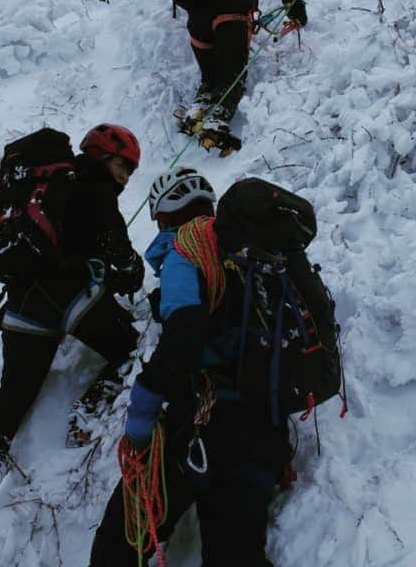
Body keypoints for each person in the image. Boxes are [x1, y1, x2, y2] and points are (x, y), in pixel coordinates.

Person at [88, 167, 292, 567]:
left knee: (118, 545)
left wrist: (142, 413)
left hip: (197, 427)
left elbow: (185, 333)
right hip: (263, 430)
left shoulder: (186, 249)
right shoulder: (260, 259)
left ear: (163, 217)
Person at [0, 123, 145, 479]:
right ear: (102, 157)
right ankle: (87, 414)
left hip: (22, 301)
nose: (125, 178)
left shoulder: (45, 185)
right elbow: (124, 259)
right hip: (70, 297)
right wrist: (127, 272)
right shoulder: (96, 185)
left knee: (16, 389)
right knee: (132, 349)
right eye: (122, 166)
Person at [183, 0, 306, 134]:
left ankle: (200, 106)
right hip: (231, 15)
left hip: (198, 20)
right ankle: (218, 116)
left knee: (210, 75)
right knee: (232, 72)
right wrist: (294, 4)